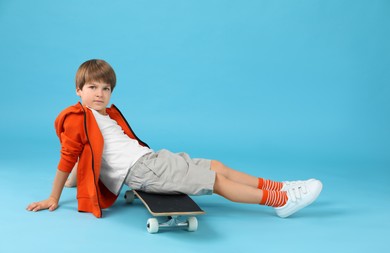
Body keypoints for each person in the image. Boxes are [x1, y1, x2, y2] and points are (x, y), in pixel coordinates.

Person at [26, 59, 323, 218]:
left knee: (216, 165)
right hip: (144, 170)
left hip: (153, 159)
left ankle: (281, 185)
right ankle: (281, 201)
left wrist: (74, 180)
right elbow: (69, 156)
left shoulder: (106, 114)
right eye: (92, 87)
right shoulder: (78, 117)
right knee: (215, 182)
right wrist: (54, 196)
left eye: (106, 88)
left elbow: (85, 161)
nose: (100, 94)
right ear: (78, 90)